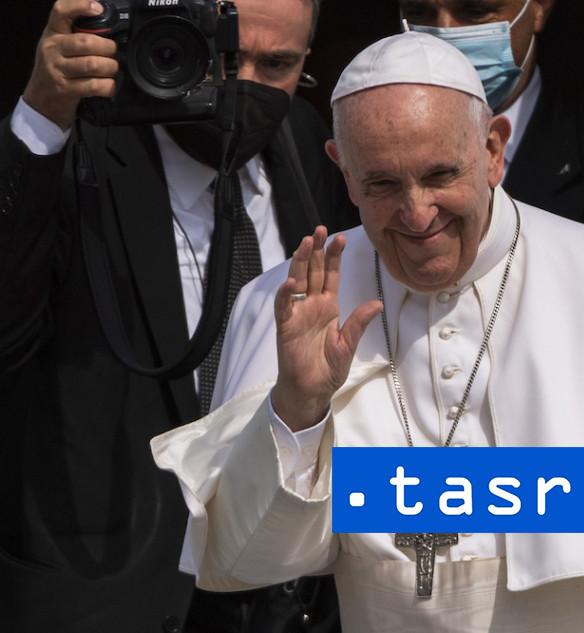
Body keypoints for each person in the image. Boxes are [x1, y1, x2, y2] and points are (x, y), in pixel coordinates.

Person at [152, 33, 584, 632]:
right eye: (382, 184)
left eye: (440, 174)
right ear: (343, 170)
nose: (418, 214)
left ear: (493, 149)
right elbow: (244, 558)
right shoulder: (289, 302)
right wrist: (299, 409)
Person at [0, 0, 352, 631]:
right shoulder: (82, 139)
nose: (245, 84)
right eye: (225, 57)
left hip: (278, 595)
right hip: (110, 594)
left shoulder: (303, 139)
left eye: (277, 65)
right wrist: (40, 120)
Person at [399, 0, 584, 234]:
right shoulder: (375, 151)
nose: (444, 36)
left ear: (539, 6)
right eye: (418, 12)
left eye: (476, 12)